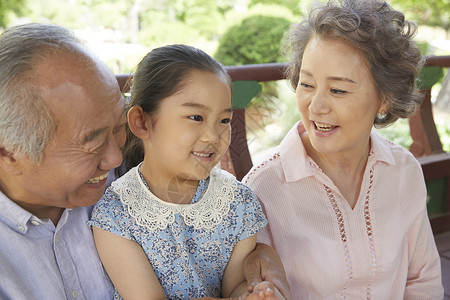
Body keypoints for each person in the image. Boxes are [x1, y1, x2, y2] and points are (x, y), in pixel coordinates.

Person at [0, 23, 290, 299]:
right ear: (9, 151)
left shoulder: (138, 175)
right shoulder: (119, 209)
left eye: (118, 129)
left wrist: (259, 256)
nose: (115, 157)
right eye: (93, 142)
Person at [243, 0, 444, 299]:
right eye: (307, 84)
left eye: (338, 90)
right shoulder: (262, 189)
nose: (316, 106)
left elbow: (422, 282)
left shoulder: (403, 171)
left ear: (385, 99)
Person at [89, 44, 286, 300]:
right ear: (142, 122)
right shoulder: (117, 212)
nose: (212, 136)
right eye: (196, 117)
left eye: (224, 120)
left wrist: (252, 295)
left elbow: (235, 286)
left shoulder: (238, 202)